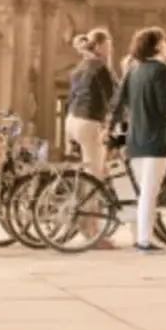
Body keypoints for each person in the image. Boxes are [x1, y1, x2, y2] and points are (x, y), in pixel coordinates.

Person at [106, 27, 166, 253]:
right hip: (156, 139)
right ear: (158, 45)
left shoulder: (133, 70)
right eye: (165, 41)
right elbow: (164, 108)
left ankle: (143, 237)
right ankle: (144, 240)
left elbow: (118, 101)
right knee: (149, 194)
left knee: (144, 192)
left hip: (135, 139)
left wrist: (110, 128)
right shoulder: (161, 69)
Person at [65, 29, 118, 249]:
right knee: (95, 179)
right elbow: (114, 99)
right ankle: (93, 233)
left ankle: (87, 225)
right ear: (97, 47)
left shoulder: (79, 68)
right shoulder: (100, 67)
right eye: (106, 46)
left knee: (89, 174)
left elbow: (71, 98)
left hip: (72, 121)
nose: (109, 50)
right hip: (89, 122)